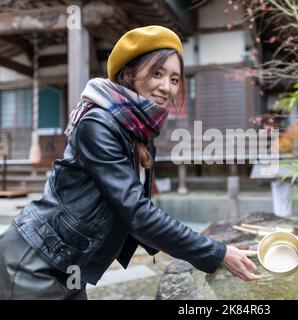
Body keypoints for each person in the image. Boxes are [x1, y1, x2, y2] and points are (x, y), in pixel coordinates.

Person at [0, 25, 261, 300]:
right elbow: (136, 213)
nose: (166, 86)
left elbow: (136, 210)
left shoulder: (139, 130)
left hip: (71, 267)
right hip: (34, 265)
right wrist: (216, 252)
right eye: (157, 73)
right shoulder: (97, 124)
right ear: (130, 74)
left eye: (174, 78)